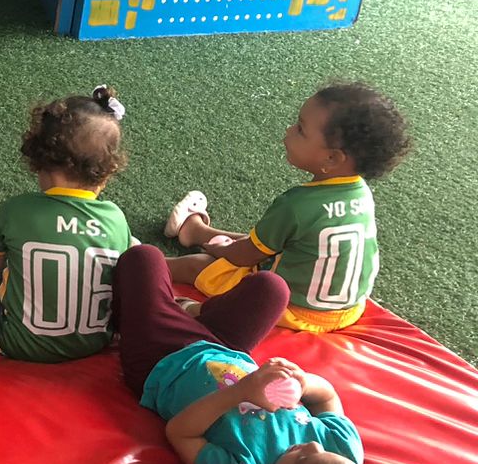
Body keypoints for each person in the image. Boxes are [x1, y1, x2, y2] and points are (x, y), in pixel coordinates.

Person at [164, 83, 411, 333]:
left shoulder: (297, 205)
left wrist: (219, 249)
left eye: (300, 129)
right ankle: (195, 232)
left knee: (197, 264)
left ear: (332, 158)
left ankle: (172, 289)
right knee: (272, 241)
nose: (289, 130)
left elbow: (244, 256)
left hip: (291, 310)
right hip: (348, 311)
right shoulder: (362, 194)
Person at [112, 245, 366, 464]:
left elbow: (180, 433)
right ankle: (189, 313)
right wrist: (304, 383)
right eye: (320, 449)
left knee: (143, 257)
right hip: (225, 346)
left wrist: (241, 392)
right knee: (272, 288)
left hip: (163, 362)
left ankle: (152, 317)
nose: (312, 445)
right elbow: (326, 397)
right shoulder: (344, 452)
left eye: (303, 459)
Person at [0, 86, 132, 362]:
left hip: (17, 342)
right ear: (106, 174)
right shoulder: (116, 219)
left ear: (39, 161)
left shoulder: (17, 209)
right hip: (92, 343)